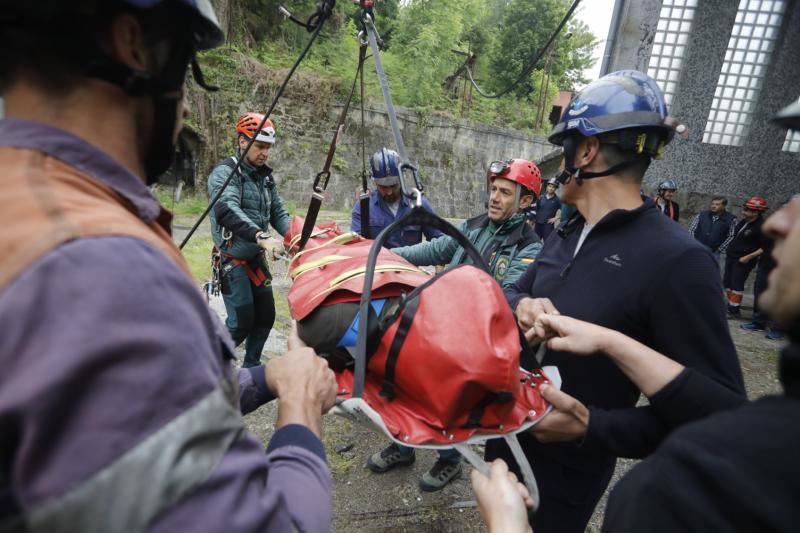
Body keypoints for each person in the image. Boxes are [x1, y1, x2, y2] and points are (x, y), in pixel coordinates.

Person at [0, 2, 338, 531]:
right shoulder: (109, 271)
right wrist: (299, 408)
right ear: (133, 44)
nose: (182, 110)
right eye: (187, 69)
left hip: (253, 264)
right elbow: (227, 208)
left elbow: (132, 415)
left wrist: (263, 376)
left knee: (261, 324)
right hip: (236, 259)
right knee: (243, 317)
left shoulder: (26, 209)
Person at [493, 70, 745, 533]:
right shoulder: (566, 229)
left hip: (565, 476)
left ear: (586, 152)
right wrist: (521, 305)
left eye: (565, 146)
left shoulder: (679, 262)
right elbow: (514, 290)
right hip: (504, 442)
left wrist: (594, 426)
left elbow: (720, 417)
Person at [365, 158, 543, 491]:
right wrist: (383, 254)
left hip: (475, 344)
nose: (494, 197)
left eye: (505, 192)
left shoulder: (529, 246)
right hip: (440, 325)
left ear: (526, 201)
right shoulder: (472, 226)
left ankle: (449, 460)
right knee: (402, 375)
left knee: (447, 400)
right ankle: (404, 445)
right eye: (493, 189)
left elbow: (507, 298)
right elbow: (434, 248)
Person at [208, 112, 291, 368]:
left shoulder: (264, 176)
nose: (265, 153)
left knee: (266, 317)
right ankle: (205, 365)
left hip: (254, 258)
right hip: (233, 260)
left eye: (268, 147)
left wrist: (294, 236)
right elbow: (227, 209)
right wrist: (262, 236)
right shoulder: (225, 173)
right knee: (240, 323)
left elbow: (277, 210)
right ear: (243, 141)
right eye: (260, 146)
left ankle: (251, 366)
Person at [351, 147, 442, 246]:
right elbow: (356, 246)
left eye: (394, 185)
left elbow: (439, 242)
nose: (389, 192)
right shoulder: (363, 208)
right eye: (384, 187)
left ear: (401, 179)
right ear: (375, 182)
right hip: (378, 261)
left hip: (409, 261)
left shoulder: (419, 204)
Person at [720, 196, 769, 318]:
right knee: (728, 283)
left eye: (746, 210)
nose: (743, 212)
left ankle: (734, 311)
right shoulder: (744, 221)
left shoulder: (761, 227)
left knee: (737, 284)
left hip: (743, 260)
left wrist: (748, 257)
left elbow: (765, 247)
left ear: (756, 212)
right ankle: (731, 306)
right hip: (732, 256)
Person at [741, 221, 785, 340]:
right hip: (766, 264)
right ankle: (759, 322)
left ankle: (778, 329)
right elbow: (764, 246)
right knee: (761, 293)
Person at [531, 177, 562, 241]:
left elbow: (564, 210)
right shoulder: (541, 197)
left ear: (556, 189)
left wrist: (556, 218)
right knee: (535, 242)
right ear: (547, 186)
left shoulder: (557, 200)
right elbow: (535, 210)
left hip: (548, 226)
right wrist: (532, 220)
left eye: (553, 187)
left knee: (548, 243)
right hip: (538, 225)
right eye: (549, 186)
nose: (551, 188)